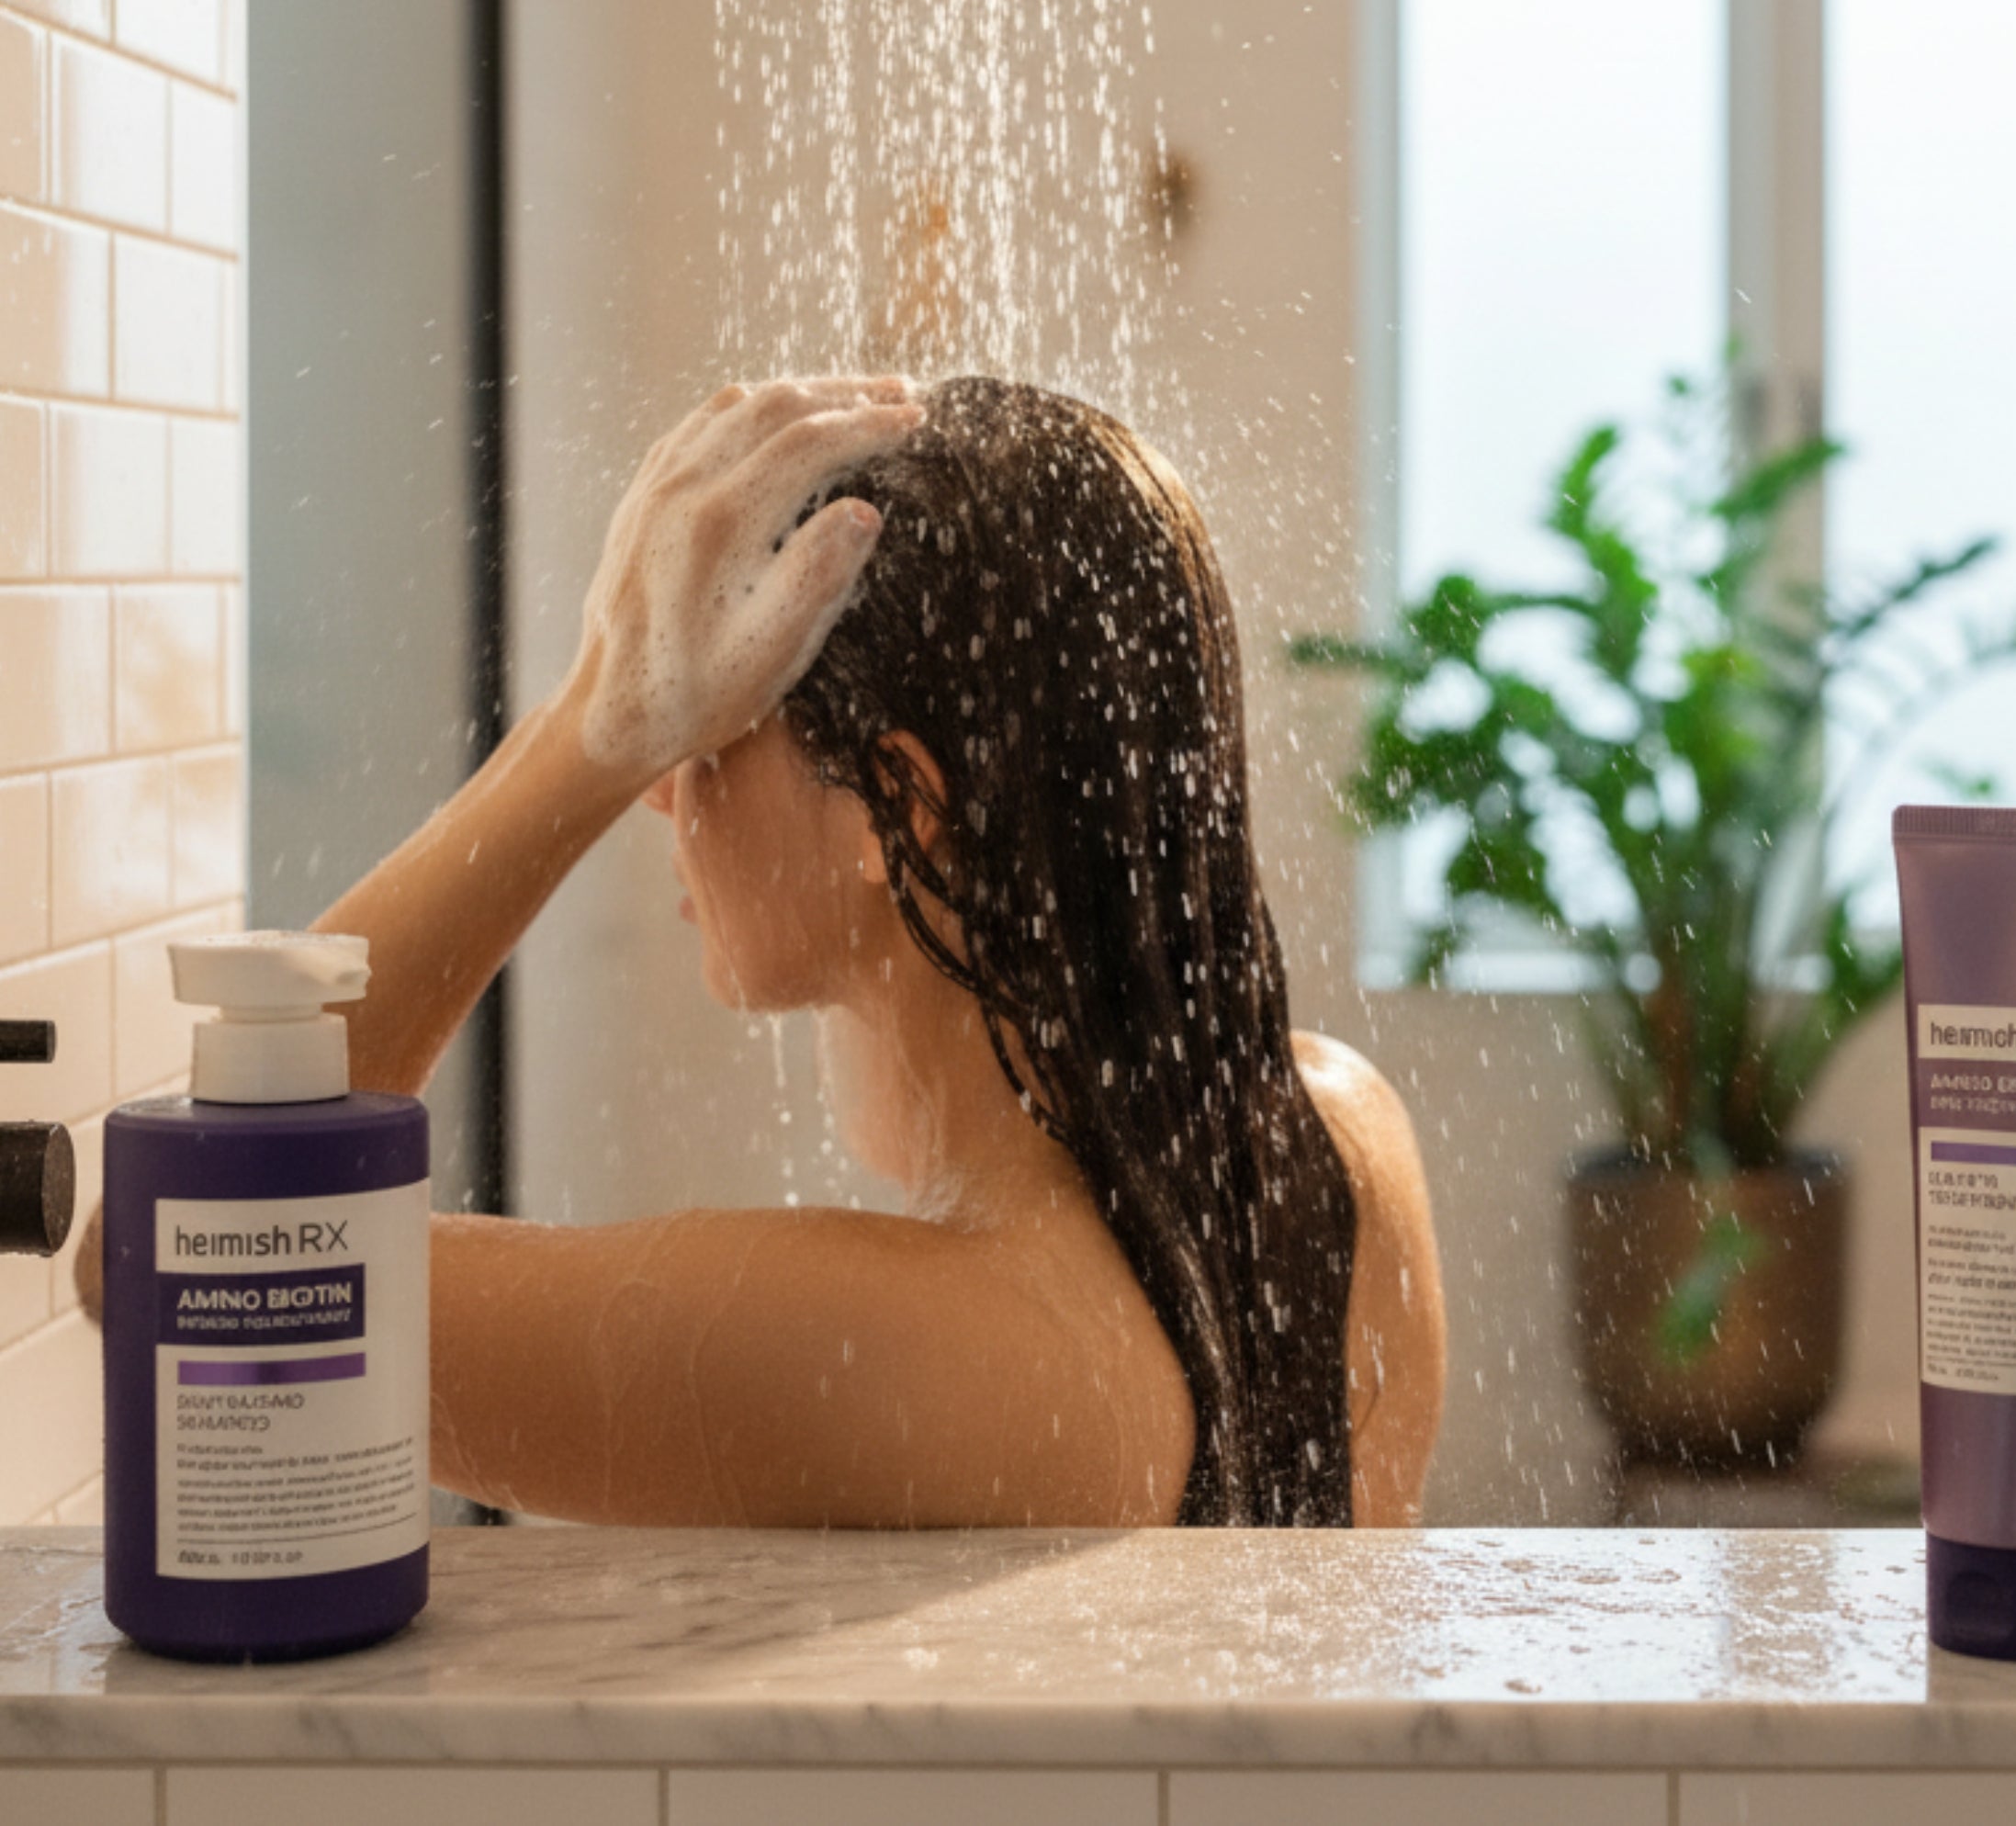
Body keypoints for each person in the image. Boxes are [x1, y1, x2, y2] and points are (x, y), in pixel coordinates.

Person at [93, 376, 1447, 1527]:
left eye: (707, 720)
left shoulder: (913, 1357)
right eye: (662, 723)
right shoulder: (1337, 1150)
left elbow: (173, 1258)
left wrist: (584, 729)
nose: (662, 792)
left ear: (904, 811)